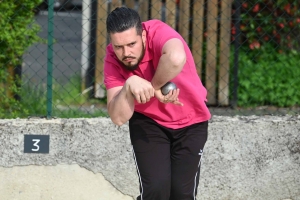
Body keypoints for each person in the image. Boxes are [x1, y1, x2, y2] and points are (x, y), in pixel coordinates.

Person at [104, 6, 211, 200]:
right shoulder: (112, 58)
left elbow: (176, 58)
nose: (125, 52)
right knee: (156, 191)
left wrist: (152, 87)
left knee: (182, 194)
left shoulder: (158, 32)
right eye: (118, 46)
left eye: (131, 44)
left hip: (191, 121)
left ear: (143, 35)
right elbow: (118, 117)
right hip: (148, 122)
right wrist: (129, 85)